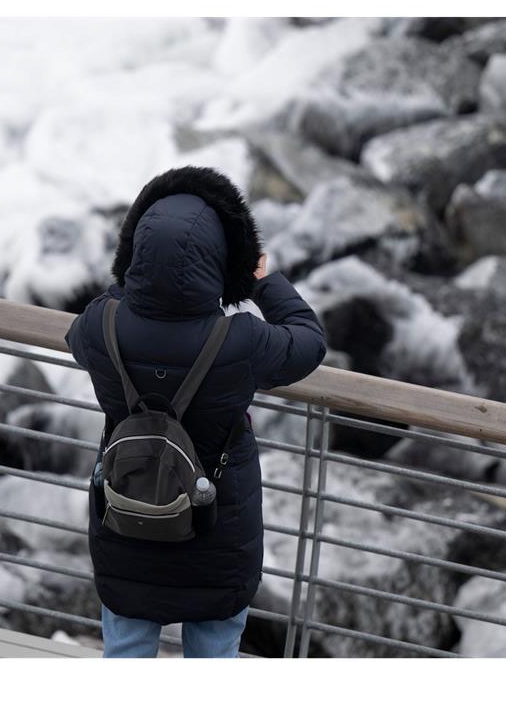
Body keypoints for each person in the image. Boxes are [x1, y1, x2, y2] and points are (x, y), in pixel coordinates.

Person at [64, 166, 327, 658]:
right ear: (223, 260)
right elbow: (310, 344)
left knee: (124, 655)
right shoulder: (242, 341)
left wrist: (133, 283)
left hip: (127, 522)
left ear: (135, 252)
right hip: (217, 533)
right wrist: (261, 282)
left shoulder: (101, 325)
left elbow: (86, 325)